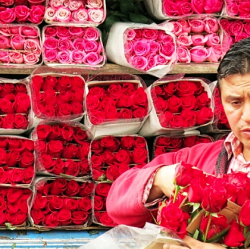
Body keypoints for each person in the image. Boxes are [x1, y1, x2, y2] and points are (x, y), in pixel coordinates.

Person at [106, 37, 250, 249]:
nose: (247, 115)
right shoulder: (198, 161)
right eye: (235, 102)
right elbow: (117, 203)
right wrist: (161, 178)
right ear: (221, 101)